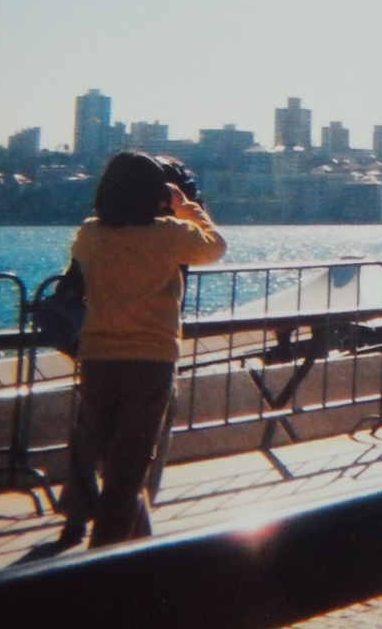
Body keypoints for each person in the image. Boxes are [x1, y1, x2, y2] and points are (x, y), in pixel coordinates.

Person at [69, 151, 226, 548]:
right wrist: (184, 206)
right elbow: (215, 247)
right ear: (154, 193)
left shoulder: (89, 235)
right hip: (150, 363)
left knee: (116, 467)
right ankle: (101, 566)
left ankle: (141, 553)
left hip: (98, 361)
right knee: (127, 474)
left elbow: (82, 261)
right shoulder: (170, 234)